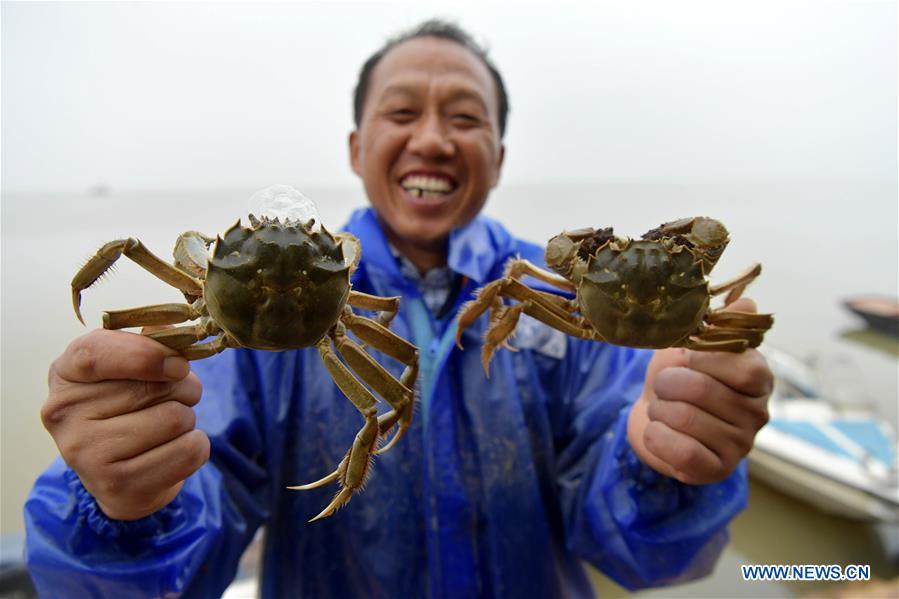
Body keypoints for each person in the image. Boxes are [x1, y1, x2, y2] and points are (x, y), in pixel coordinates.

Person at [24, 19, 773, 598]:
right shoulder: (262, 343)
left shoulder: (564, 302)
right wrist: (115, 502)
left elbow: (640, 550)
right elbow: (176, 559)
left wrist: (667, 466)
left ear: (501, 155)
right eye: (402, 111)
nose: (432, 139)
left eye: (467, 118)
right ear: (356, 147)